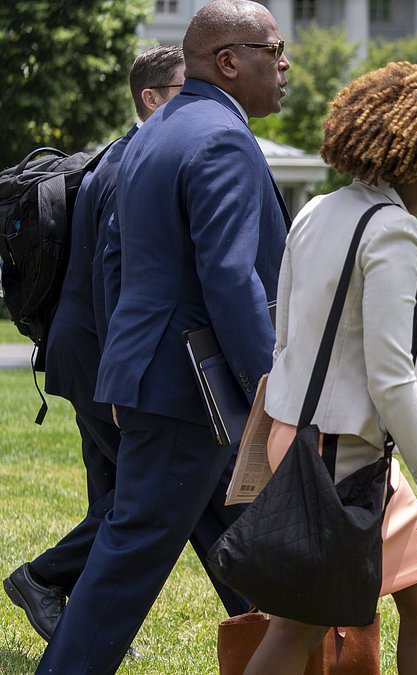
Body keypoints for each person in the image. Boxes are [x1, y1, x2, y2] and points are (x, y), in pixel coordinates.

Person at [36, 2, 290, 671]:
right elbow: (233, 278)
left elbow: (113, 265)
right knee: (126, 563)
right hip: (192, 394)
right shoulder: (223, 138)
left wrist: (122, 372)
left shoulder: (155, 131)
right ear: (230, 61)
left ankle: (288, 654)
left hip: (157, 380)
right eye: (275, 48)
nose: (285, 63)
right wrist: (274, 389)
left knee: (221, 547)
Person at [245, 61, 417, 675]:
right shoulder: (393, 233)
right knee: (299, 624)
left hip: (310, 438)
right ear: (414, 156)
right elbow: (392, 376)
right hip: (341, 455)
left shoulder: (317, 211)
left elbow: (286, 335)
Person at [3, 46, 189, 644]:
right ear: (151, 98)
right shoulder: (135, 160)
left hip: (79, 352)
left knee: (115, 494)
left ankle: (81, 617)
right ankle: (41, 579)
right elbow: (118, 279)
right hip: (99, 357)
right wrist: (122, 376)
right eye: (188, 90)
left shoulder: (117, 155)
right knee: (148, 498)